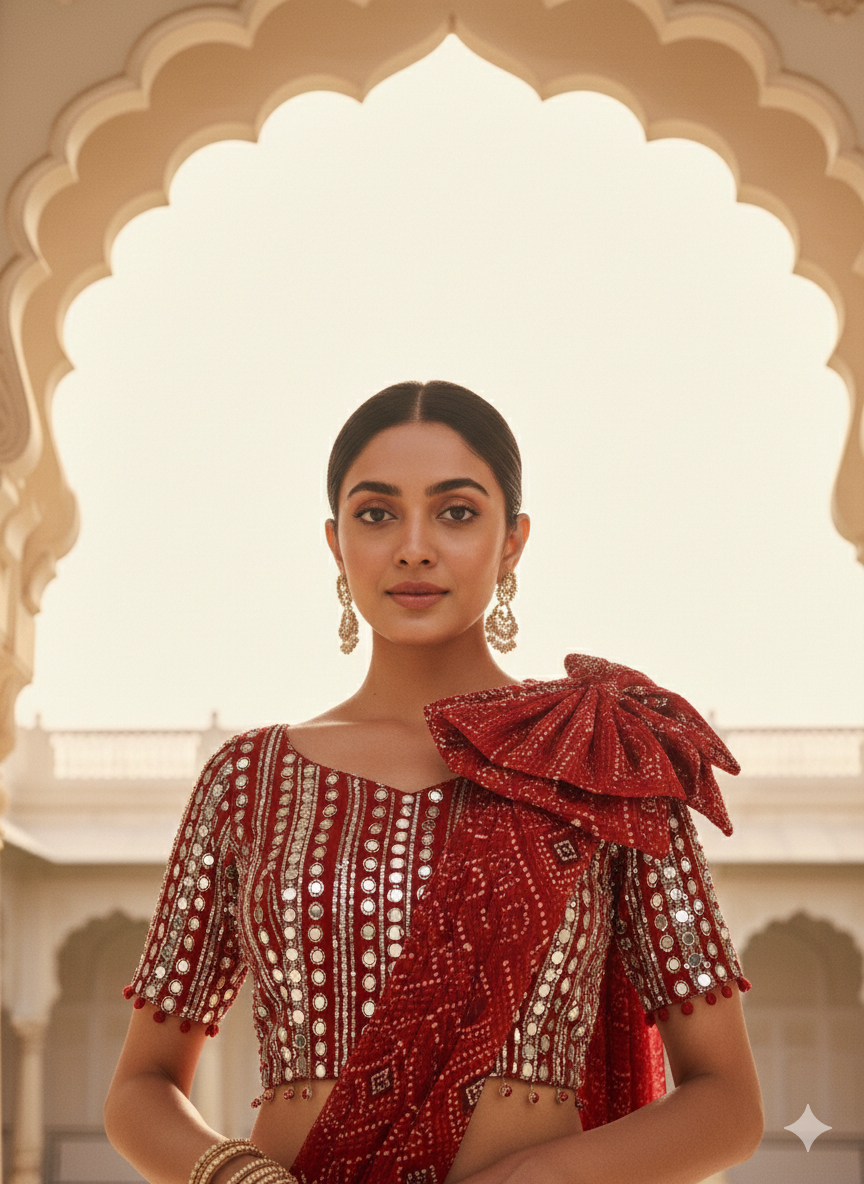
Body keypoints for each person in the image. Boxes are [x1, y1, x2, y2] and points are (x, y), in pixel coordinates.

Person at [105, 380, 764, 1184]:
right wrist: (240, 1179)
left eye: (456, 512)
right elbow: (141, 1087)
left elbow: (726, 1101)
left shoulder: (597, 759)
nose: (414, 547)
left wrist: (532, 1180)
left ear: (513, 540)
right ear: (334, 542)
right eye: (377, 514)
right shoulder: (249, 780)